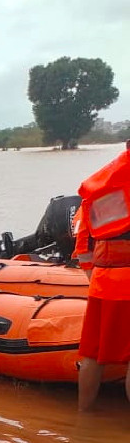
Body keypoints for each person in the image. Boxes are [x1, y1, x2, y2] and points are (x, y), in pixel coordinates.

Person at [73, 142, 130, 411]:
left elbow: (83, 242)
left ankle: (83, 418)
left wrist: (92, 277)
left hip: (102, 281)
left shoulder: (99, 186)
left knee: (92, 355)